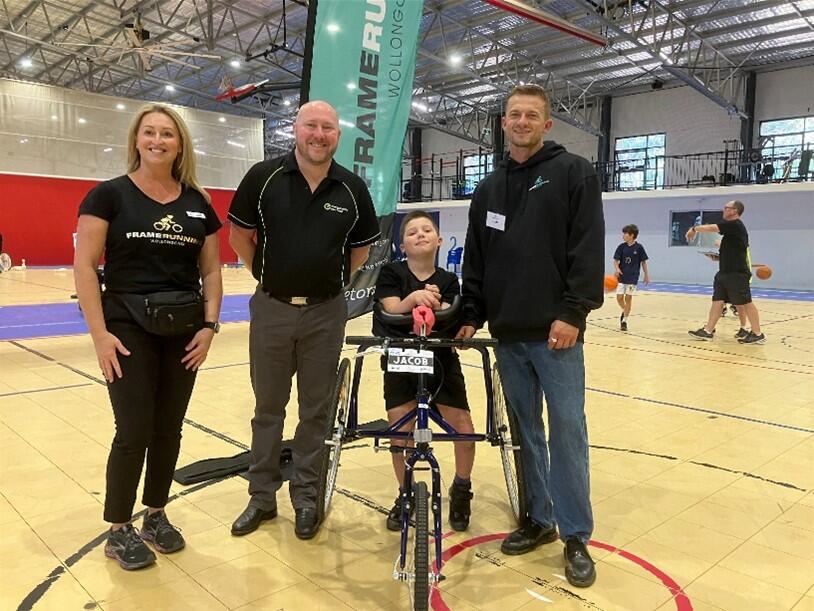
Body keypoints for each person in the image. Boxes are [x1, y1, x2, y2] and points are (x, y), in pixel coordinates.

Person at [457, 84, 604, 588]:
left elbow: (586, 248)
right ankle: (539, 519)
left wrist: (573, 312)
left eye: (531, 115)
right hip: (508, 336)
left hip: (557, 332)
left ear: (547, 125)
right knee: (525, 434)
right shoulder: (488, 188)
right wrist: (472, 311)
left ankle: (576, 535)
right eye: (513, 114)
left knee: (567, 432)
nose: (521, 121)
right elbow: (476, 259)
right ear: (503, 123)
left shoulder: (573, 173)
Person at [74, 104, 223, 570]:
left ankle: (155, 514)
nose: (158, 140)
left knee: (168, 429)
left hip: (182, 333)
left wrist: (209, 326)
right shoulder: (108, 196)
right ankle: (119, 528)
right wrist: (99, 335)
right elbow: (85, 266)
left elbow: (213, 269)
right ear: (136, 140)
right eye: (150, 133)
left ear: (180, 144)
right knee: (134, 429)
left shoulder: (197, 202)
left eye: (168, 134)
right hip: (125, 330)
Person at [228, 100, 379, 540]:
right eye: (311, 125)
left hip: (325, 314)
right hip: (272, 309)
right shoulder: (263, 177)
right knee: (267, 408)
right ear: (296, 129)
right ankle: (261, 496)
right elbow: (239, 233)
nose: (319, 134)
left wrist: (330, 281)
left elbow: (360, 251)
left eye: (328, 128)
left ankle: (306, 496)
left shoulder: (351, 188)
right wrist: (262, 272)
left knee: (315, 411)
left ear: (338, 135)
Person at [374, 211, 476, 532]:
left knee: (463, 426)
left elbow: (449, 312)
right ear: (402, 244)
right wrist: (415, 298)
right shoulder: (391, 272)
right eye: (413, 232)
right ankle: (405, 492)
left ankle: (461, 487)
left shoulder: (448, 280)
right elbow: (390, 308)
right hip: (401, 356)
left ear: (439, 240)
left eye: (427, 229)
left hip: (440, 358)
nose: (420, 234)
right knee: (399, 429)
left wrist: (438, 306)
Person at [687, 200, 765, 344]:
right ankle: (708, 331)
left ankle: (757, 333)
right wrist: (717, 257)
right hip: (724, 272)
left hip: (737, 273)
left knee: (746, 302)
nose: (724, 210)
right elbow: (731, 251)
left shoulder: (735, 225)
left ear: (734, 211)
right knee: (717, 301)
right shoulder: (730, 233)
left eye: (726, 208)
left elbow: (712, 228)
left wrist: (694, 229)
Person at [613, 224, 650, 331]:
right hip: (622, 276)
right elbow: (615, 260)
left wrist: (646, 275)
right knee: (619, 298)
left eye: (625, 233)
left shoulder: (639, 248)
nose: (623, 235)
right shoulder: (621, 247)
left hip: (633, 277)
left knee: (628, 298)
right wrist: (617, 269)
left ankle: (624, 321)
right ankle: (625, 311)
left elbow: (643, 262)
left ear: (631, 235)